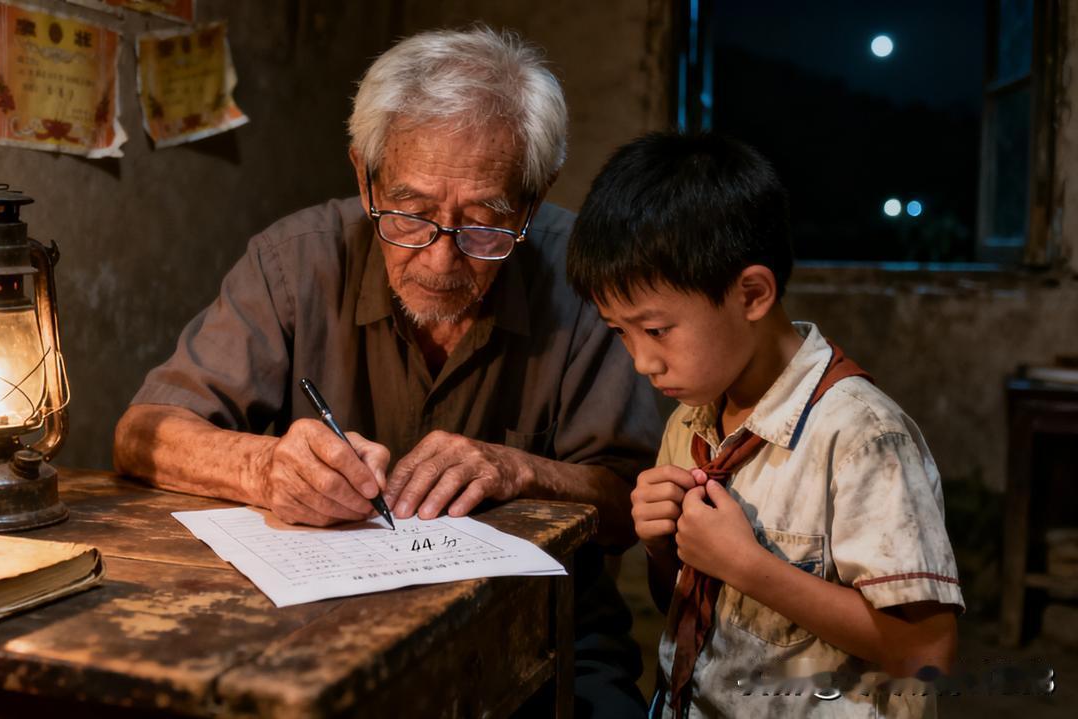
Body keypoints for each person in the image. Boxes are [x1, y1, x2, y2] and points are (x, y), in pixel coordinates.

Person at [113, 27, 661, 717]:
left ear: (532, 196)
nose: (440, 259)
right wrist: (265, 466)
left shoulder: (585, 279)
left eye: (484, 222)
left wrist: (520, 470)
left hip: (545, 624)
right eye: (412, 212)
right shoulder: (296, 262)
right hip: (320, 619)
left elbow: (626, 505)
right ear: (363, 177)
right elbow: (142, 432)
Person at [566, 132, 963, 718]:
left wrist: (749, 566)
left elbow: (926, 649)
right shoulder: (689, 426)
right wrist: (661, 549)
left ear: (751, 293)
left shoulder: (861, 437)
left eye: (655, 330)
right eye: (618, 331)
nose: (642, 362)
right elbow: (690, 610)